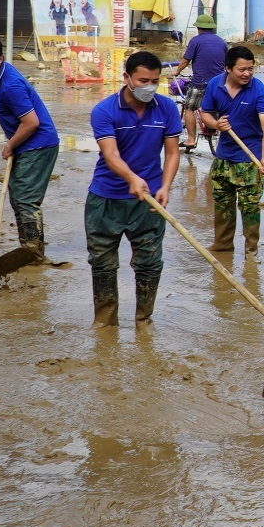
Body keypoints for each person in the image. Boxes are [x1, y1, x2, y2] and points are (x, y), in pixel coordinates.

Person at [86, 50, 181, 328]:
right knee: (103, 263)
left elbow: (173, 152)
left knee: (150, 263)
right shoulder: (104, 110)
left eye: (154, 81)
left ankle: (143, 320)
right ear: (126, 77)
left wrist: (165, 186)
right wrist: (131, 177)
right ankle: (105, 324)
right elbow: (111, 154)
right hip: (106, 199)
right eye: (142, 80)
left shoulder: (166, 108)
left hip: (148, 200)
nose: (148, 87)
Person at [0, 35, 59, 257]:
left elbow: (31, 123)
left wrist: (9, 146)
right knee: (18, 195)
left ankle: (34, 253)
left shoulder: (10, 86)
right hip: (27, 144)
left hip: (38, 144)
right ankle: (27, 247)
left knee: (26, 199)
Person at [197, 44, 264, 255]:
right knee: (222, 203)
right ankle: (222, 244)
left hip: (251, 159)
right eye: (242, 69)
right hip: (223, 157)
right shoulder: (215, 85)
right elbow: (205, 113)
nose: (247, 73)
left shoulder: (260, 92)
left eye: (251, 68)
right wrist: (215, 125)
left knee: (250, 206)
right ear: (228, 69)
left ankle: (251, 250)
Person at [179, 14, 227, 152]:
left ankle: (191, 139)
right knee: (217, 107)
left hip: (199, 82)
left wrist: (176, 72)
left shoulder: (196, 41)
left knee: (189, 108)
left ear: (199, 28)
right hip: (219, 82)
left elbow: (185, 61)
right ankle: (213, 130)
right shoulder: (222, 42)